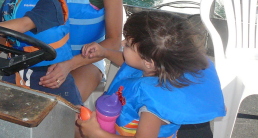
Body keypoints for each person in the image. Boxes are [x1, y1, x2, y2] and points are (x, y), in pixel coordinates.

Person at [76, 10, 226, 138]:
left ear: (148, 62)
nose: (122, 43)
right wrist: (106, 52)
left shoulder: (153, 108)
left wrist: (97, 134)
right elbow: (130, 64)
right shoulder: (160, 66)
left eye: (127, 44)